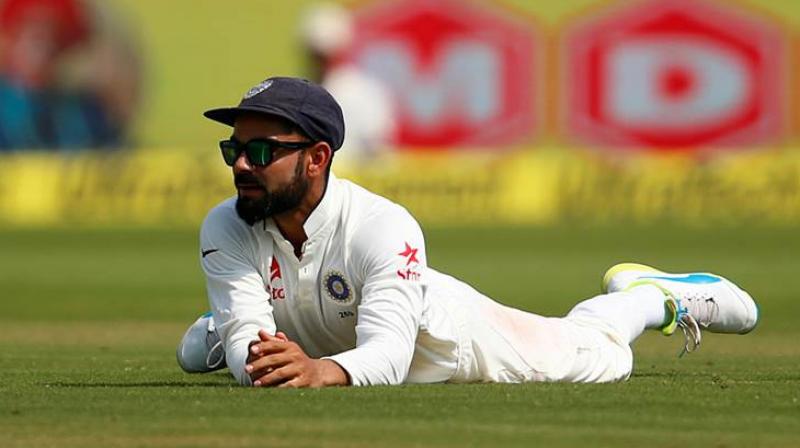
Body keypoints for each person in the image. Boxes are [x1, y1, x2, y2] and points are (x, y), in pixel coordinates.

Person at [176, 76, 759, 388]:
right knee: (214, 347)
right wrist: (255, 353)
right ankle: (255, 318)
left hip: (445, 342)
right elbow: (254, 369)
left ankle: (650, 298)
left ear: (317, 157)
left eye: (260, 151)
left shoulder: (383, 227)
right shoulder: (226, 224)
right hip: (332, 331)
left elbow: (388, 357)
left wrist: (318, 370)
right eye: (234, 148)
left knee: (596, 358)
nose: (241, 166)